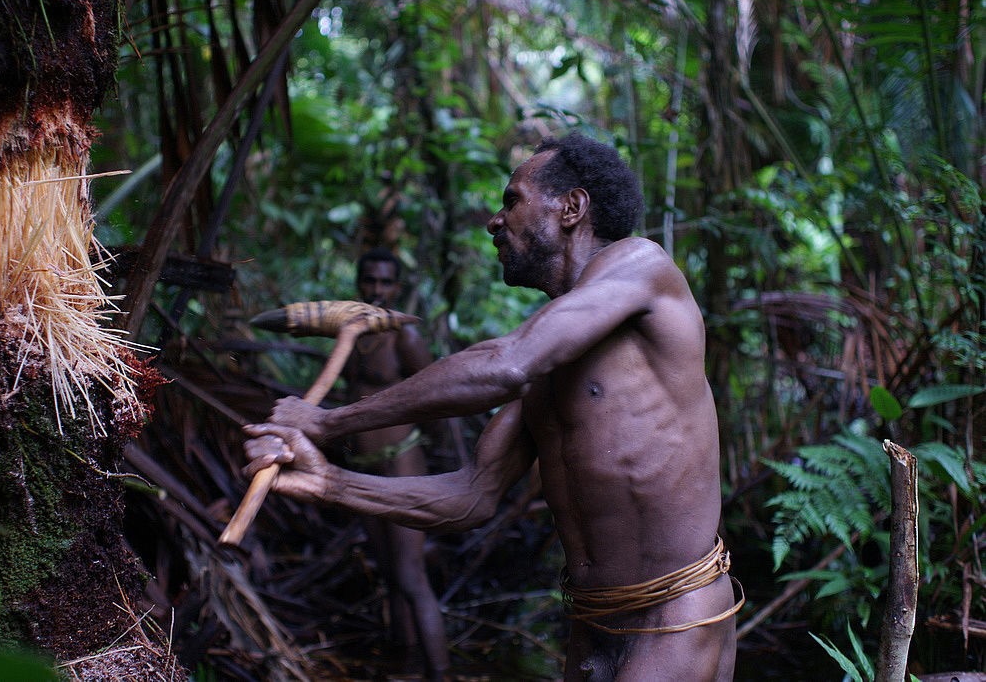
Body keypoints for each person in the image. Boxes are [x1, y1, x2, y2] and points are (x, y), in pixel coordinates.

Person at [243, 133, 742, 681]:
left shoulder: (642, 264)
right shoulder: (553, 362)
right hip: (594, 627)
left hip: (674, 617)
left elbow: (507, 363)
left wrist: (326, 421)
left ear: (572, 208)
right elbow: (471, 495)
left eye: (512, 200)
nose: (493, 220)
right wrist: (329, 482)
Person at [341, 247, 450, 677]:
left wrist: (448, 455)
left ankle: (440, 673)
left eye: (386, 282)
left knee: (409, 575)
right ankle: (403, 657)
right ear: (359, 284)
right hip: (365, 466)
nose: (377, 290)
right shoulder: (350, 332)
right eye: (370, 280)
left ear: (397, 287)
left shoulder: (405, 336)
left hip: (401, 462)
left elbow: (439, 393)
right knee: (389, 573)